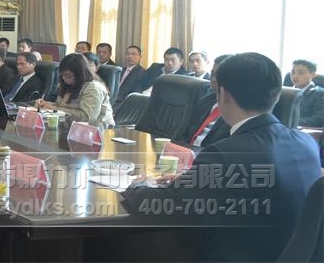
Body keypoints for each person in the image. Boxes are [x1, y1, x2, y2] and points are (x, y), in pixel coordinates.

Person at [121, 52, 321, 262]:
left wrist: (138, 185)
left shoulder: (225, 154)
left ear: (223, 93)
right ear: (277, 95)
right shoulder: (306, 143)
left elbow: (160, 206)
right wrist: (192, 180)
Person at [37, 53, 114, 127]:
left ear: (80, 74)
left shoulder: (93, 87)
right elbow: (61, 106)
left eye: (69, 76)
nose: (65, 79)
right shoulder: (69, 85)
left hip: (99, 129)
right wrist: (47, 105)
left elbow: (87, 117)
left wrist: (56, 109)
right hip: (72, 127)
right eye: (63, 75)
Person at [183, 54, 232, 146]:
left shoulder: (238, 110)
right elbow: (186, 132)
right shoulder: (205, 101)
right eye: (212, 74)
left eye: (219, 76)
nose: (213, 79)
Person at [112, 45, 147, 113]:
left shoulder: (142, 73)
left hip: (123, 106)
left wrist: (115, 109)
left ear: (140, 57)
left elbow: (134, 95)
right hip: (111, 101)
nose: (130, 56)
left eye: (133, 54)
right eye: (128, 54)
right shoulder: (120, 70)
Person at [290, 59, 324, 128]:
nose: (295, 76)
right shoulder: (285, 92)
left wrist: (289, 121)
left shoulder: (320, 94)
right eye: (293, 72)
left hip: (304, 131)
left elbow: (318, 120)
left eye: (300, 73)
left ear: (313, 75)